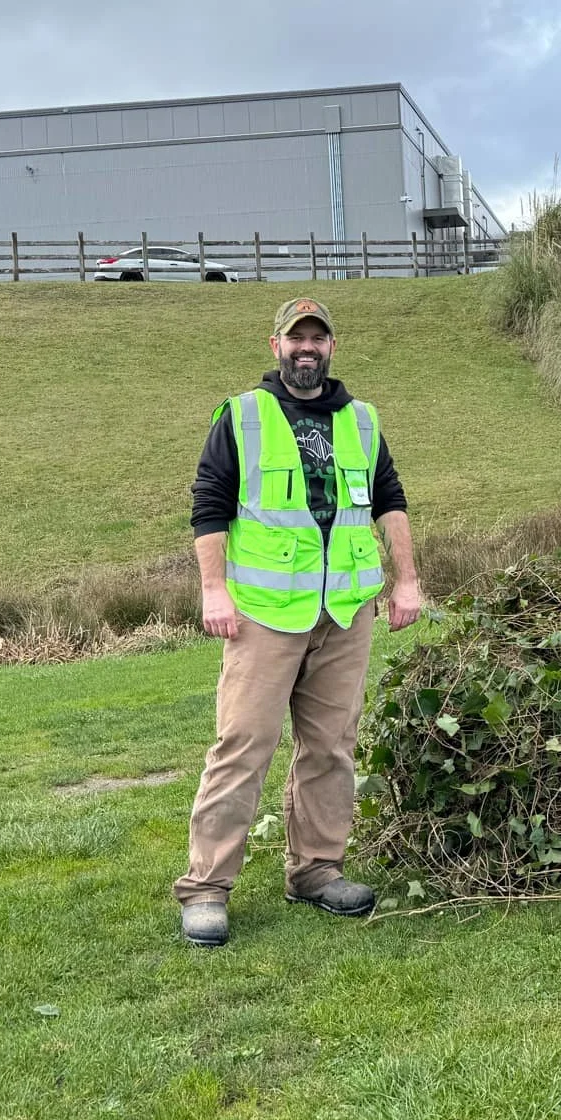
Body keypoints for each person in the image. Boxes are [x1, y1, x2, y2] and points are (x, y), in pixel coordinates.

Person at [173, 296, 423, 947]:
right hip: (264, 614)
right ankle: (206, 888)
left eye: (317, 338)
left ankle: (315, 870)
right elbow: (209, 504)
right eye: (295, 339)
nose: (306, 348)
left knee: (332, 746)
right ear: (275, 346)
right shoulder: (244, 416)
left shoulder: (362, 422)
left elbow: (389, 499)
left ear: (331, 347)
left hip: (344, 613)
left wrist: (407, 578)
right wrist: (214, 590)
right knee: (243, 745)